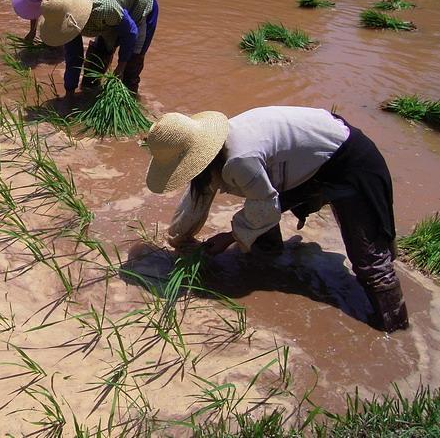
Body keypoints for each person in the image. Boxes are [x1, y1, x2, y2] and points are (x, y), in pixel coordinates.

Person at [144, 106, 410, 333]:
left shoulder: (239, 159)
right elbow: (198, 195)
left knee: (369, 261)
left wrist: (228, 238)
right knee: (258, 207)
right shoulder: (217, 145)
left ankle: (395, 329)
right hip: (310, 157)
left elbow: (266, 205)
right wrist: (179, 239)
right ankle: (269, 256)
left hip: (349, 161)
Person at [37, 0, 158, 96]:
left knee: (130, 69)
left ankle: (130, 108)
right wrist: (69, 92)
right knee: (94, 67)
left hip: (141, 8)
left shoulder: (103, 9)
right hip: (114, 13)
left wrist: (120, 67)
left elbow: (131, 32)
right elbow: (74, 56)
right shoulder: (66, 20)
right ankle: (89, 95)